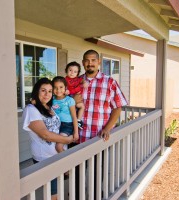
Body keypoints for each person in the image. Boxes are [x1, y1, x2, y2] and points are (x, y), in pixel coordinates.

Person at [72, 49, 128, 199]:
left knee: (97, 171)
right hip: (78, 136)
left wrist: (108, 128)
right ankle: (78, 196)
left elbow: (117, 106)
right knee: (76, 172)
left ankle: (97, 195)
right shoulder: (76, 82)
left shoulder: (109, 82)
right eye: (87, 60)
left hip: (98, 136)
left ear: (98, 62)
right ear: (83, 62)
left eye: (93, 60)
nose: (90, 63)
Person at [22, 78, 74, 200]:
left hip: (58, 156)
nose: (47, 94)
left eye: (50, 91)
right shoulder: (31, 109)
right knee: (53, 194)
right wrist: (66, 140)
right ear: (36, 91)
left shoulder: (49, 107)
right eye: (43, 90)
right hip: (45, 158)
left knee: (57, 190)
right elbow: (44, 134)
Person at [51, 76, 79, 153]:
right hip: (55, 125)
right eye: (55, 87)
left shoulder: (69, 100)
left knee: (58, 147)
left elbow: (74, 117)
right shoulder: (51, 99)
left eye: (61, 87)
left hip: (67, 126)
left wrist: (76, 132)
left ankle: (70, 163)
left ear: (65, 88)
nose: (58, 90)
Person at [64, 61, 88, 129]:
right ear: (66, 70)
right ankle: (71, 122)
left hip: (77, 97)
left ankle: (79, 120)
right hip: (69, 97)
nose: (72, 73)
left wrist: (85, 82)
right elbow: (62, 86)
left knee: (82, 106)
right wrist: (65, 90)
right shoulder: (65, 79)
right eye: (70, 70)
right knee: (71, 110)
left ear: (77, 73)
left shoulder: (78, 79)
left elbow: (83, 81)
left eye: (75, 72)